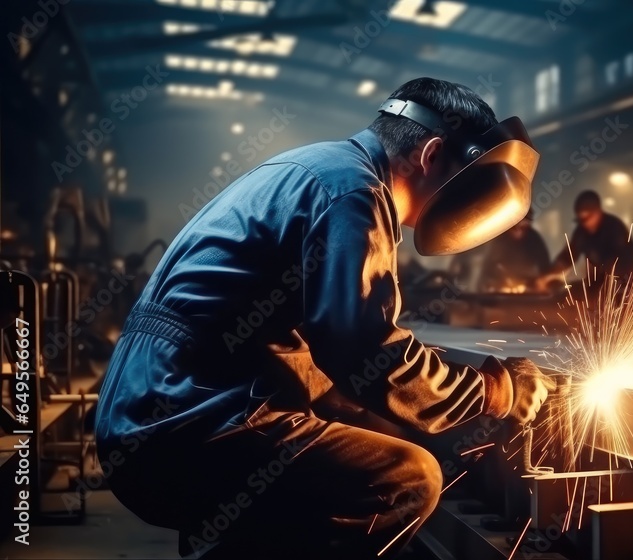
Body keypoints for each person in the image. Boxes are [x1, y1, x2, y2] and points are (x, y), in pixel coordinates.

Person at [95, 78, 551, 559]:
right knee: (407, 479)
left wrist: (426, 397)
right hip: (187, 417)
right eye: (462, 179)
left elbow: (320, 354)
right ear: (432, 155)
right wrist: (493, 392)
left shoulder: (322, 169)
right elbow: (365, 351)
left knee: (382, 430)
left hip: (158, 404)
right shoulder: (352, 194)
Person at [536, 190, 633, 291]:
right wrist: (549, 274)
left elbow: (627, 259)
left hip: (622, 283)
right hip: (596, 283)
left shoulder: (614, 227)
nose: (584, 223)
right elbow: (568, 256)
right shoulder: (581, 232)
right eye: (580, 220)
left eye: (587, 218)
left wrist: (607, 272)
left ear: (598, 212)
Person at [479, 208, 550, 292]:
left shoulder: (535, 240)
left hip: (529, 292)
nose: (518, 231)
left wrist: (542, 284)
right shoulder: (499, 240)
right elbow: (486, 273)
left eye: (523, 227)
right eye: (515, 227)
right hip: (503, 293)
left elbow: (546, 271)